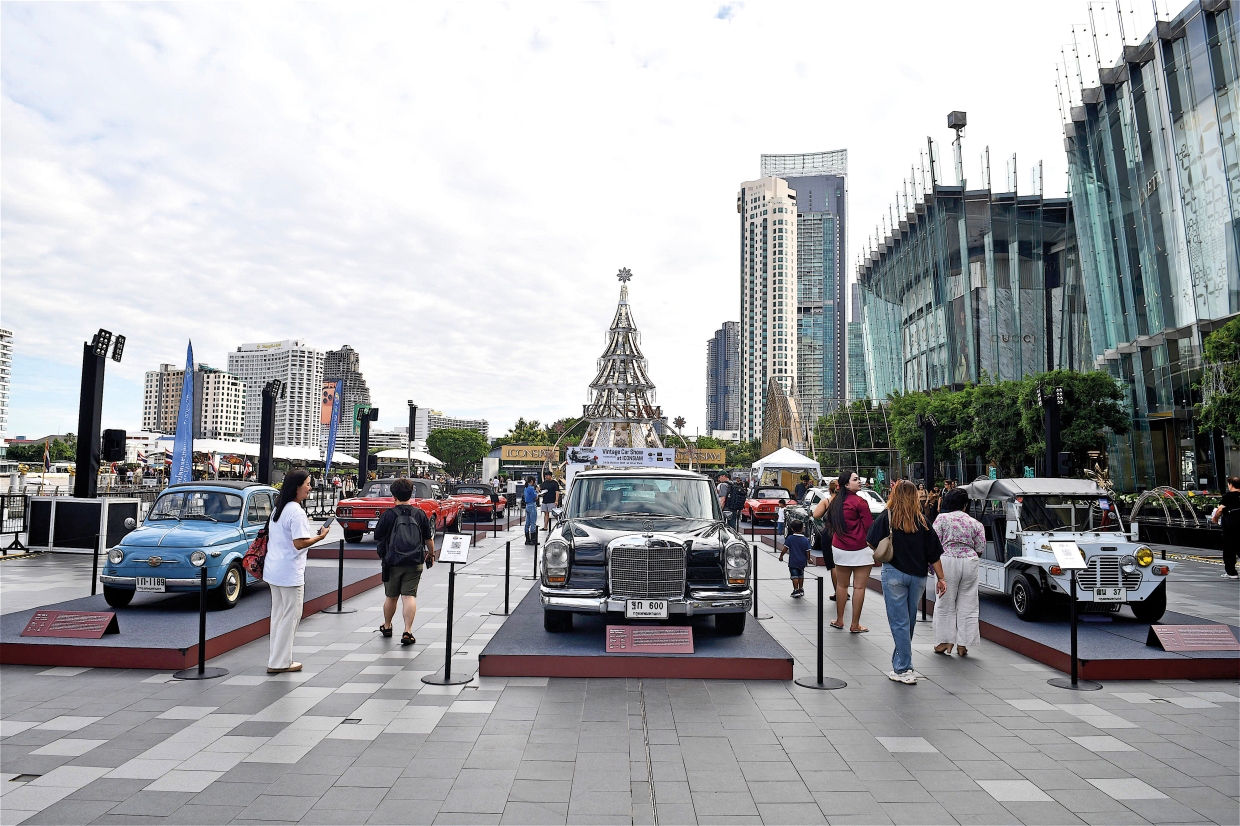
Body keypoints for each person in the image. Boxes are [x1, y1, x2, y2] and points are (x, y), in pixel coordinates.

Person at [868, 480, 946, 684]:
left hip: (893, 572)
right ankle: (901, 664)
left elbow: (871, 540)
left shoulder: (887, 516)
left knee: (899, 622)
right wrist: (941, 578)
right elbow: (934, 554)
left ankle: (903, 668)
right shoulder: (923, 521)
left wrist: (885, 550)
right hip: (918, 576)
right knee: (908, 621)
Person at [264, 469, 330, 674]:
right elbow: (299, 543)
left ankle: (276, 658)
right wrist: (320, 537)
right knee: (291, 616)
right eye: (308, 484)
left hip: (273, 569)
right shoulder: (296, 511)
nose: (310, 488)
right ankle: (280, 662)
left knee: (278, 615)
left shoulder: (278, 508)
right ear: (297, 487)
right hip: (289, 571)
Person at [375, 478, 436, 646]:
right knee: (409, 596)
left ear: (393, 496)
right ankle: (408, 631)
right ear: (411, 494)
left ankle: (387, 626)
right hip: (414, 561)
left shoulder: (388, 515)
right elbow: (428, 538)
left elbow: (378, 535)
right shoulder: (419, 514)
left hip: (392, 562)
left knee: (391, 596)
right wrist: (431, 554)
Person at [931, 488, 984, 656]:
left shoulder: (942, 519)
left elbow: (933, 542)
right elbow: (980, 547)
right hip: (970, 561)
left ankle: (945, 641)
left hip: (947, 560)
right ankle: (963, 644)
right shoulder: (975, 523)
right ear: (965, 505)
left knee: (945, 601)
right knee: (969, 602)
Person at [825, 471, 874, 631]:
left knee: (841, 585)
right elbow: (869, 526)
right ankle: (855, 624)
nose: (859, 481)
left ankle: (839, 620)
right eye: (855, 479)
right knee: (859, 587)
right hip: (861, 548)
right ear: (846, 484)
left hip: (839, 547)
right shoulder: (860, 502)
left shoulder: (835, 502)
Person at [811, 478, 840, 599]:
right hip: (844, 534)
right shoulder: (846, 501)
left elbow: (816, 515)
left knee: (833, 565)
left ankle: (838, 592)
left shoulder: (826, 501)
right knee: (844, 564)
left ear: (829, 490)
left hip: (829, 533)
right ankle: (845, 590)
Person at [1211, 476, 1240, 579]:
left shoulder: (1229, 496)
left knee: (1229, 549)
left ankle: (1231, 572)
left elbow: (1220, 509)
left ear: (1230, 485)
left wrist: (1215, 518)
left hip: (1231, 526)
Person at [779, 518, 810, 598]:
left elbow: (785, 549)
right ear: (802, 528)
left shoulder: (790, 538)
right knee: (801, 575)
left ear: (792, 529)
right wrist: (809, 558)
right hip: (802, 561)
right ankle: (801, 589)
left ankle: (796, 590)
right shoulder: (805, 539)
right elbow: (808, 551)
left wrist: (781, 556)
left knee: (794, 576)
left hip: (793, 561)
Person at [523, 476, 539, 545]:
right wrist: (537, 492)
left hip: (527, 505)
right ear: (532, 481)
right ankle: (533, 539)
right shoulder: (531, 488)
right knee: (533, 522)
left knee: (527, 523)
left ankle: (527, 539)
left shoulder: (526, 488)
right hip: (532, 505)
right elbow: (535, 497)